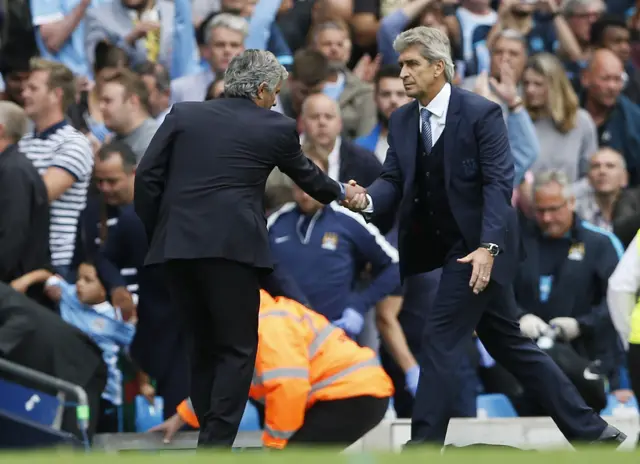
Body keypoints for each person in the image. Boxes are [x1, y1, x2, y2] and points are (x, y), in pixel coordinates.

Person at [344, 26, 626, 447]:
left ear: (439, 68)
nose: (403, 73)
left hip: (482, 245)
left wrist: (487, 248)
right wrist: (367, 199)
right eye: (401, 64)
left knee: (440, 339)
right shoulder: (404, 118)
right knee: (511, 345)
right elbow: (392, 179)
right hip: (448, 247)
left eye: (411, 64)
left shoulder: (480, 112)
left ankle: (422, 446)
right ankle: (591, 431)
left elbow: (499, 184)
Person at [134, 49, 365, 449]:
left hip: (176, 251)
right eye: (273, 92)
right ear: (260, 90)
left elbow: (146, 178)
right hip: (232, 252)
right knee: (237, 351)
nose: (275, 100)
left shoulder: (184, 114)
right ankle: (215, 449)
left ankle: (209, 440)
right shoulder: (274, 126)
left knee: (200, 347)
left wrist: (163, 232)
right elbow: (308, 176)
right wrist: (344, 192)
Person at [149, 289, 394, 449]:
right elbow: (228, 383)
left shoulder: (268, 324)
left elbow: (288, 386)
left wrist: (275, 445)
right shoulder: (248, 324)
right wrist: (181, 417)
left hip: (353, 396)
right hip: (350, 395)